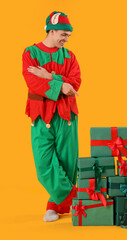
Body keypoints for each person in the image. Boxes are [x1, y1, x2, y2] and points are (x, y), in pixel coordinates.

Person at [22, 11, 81, 222]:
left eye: (68, 36)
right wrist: (60, 85)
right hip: (40, 115)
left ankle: (53, 206)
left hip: (66, 115)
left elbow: (74, 84)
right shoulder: (30, 53)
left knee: (66, 162)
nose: (66, 39)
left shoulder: (69, 56)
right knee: (44, 163)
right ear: (51, 30)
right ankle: (77, 200)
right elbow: (33, 83)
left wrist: (50, 76)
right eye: (63, 34)